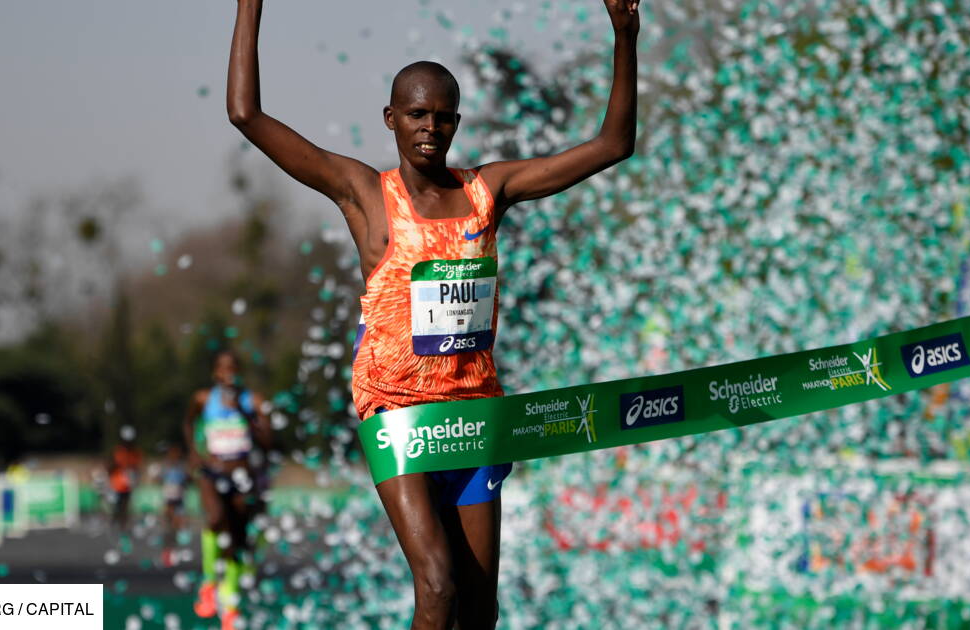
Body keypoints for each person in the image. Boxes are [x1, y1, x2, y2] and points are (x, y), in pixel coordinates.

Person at [226, 1, 640, 627]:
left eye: (444, 117)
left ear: (457, 123)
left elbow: (614, 144)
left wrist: (625, 36)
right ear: (391, 118)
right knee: (439, 586)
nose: (430, 128)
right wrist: (249, 6)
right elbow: (246, 114)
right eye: (417, 114)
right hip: (397, 408)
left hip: (474, 411)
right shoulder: (366, 193)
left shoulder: (487, 190)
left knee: (478, 610)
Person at [183, 351, 273, 625]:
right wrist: (195, 453)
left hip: (242, 474)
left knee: (237, 539)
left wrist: (245, 414)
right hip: (212, 470)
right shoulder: (202, 399)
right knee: (213, 519)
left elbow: (268, 440)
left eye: (233, 368)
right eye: (222, 369)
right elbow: (187, 423)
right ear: (215, 373)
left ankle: (230, 604)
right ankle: (209, 584)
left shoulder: (252, 401)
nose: (228, 374)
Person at [159, 442, 190, 567]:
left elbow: (186, 481)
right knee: (168, 526)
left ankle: (174, 552)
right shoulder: (166, 467)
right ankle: (167, 552)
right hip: (169, 499)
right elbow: (160, 479)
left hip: (179, 499)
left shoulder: (182, 467)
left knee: (178, 526)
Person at [107, 426, 142, 531]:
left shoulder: (135, 453)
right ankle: (114, 523)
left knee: (125, 506)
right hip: (116, 484)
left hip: (128, 485)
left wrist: (134, 477)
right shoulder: (118, 451)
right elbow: (111, 466)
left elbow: (137, 467)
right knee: (116, 506)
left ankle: (122, 526)